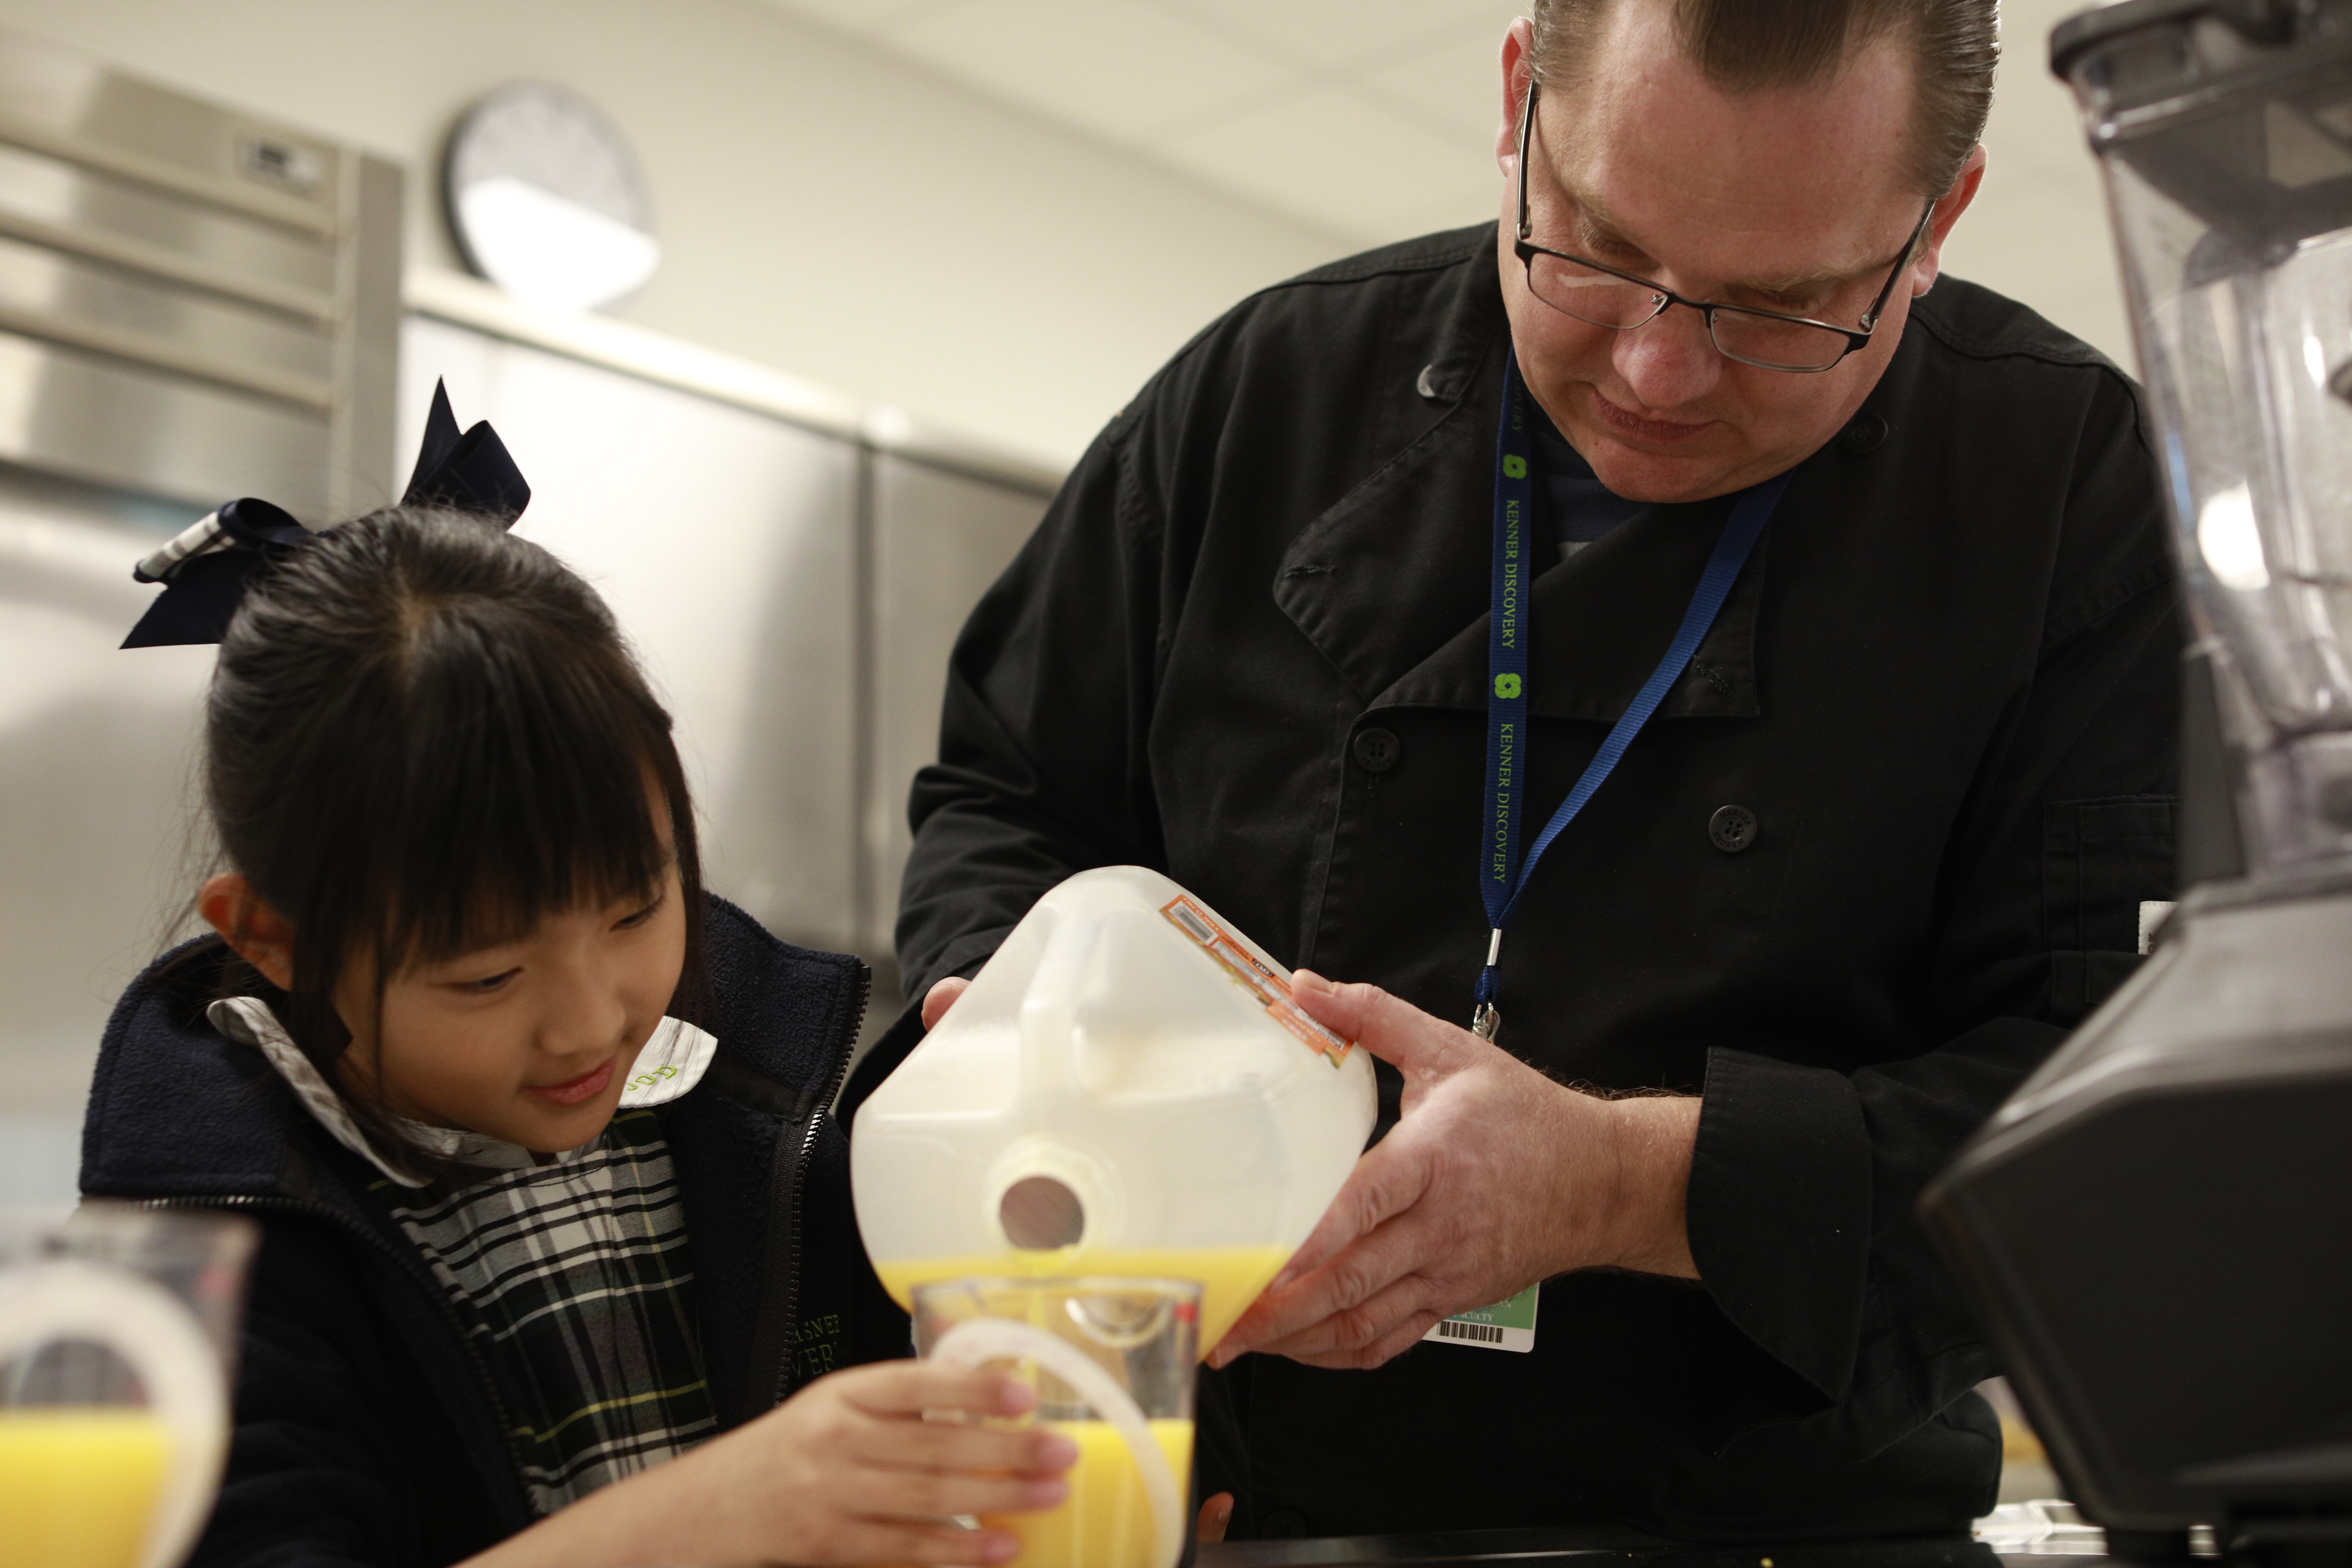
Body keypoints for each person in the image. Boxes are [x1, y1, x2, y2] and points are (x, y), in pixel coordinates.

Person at [864, 0, 2180, 1545]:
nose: (1658, 370)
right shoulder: (1263, 394)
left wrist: (1626, 1182)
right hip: (1233, 1506)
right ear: (1517, 102)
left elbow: (2110, 1116)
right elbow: (1010, 798)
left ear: (1937, 218)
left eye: (1783, 308)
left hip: (1775, 1526)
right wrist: (1013, 1018)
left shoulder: (2070, 500)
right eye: (1600, 248)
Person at [85, 398, 1077, 1568]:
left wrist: (1013, 1184)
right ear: (277, 941)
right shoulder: (192, 1265)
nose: (595, 1018)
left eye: (635, 908)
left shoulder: (741, 1119)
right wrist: (718, 1514)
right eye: (490, 974)